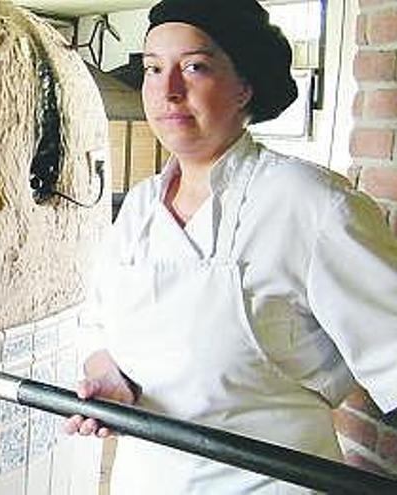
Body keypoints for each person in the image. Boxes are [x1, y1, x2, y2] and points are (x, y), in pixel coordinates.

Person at [64, 0, 397, 492]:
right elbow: (95, 324)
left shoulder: (312, 205)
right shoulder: (139, 206)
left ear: (245, 86)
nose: (167, 91)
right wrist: (111, 378)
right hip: (146, 480)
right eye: (154, 69)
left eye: (195, 67)